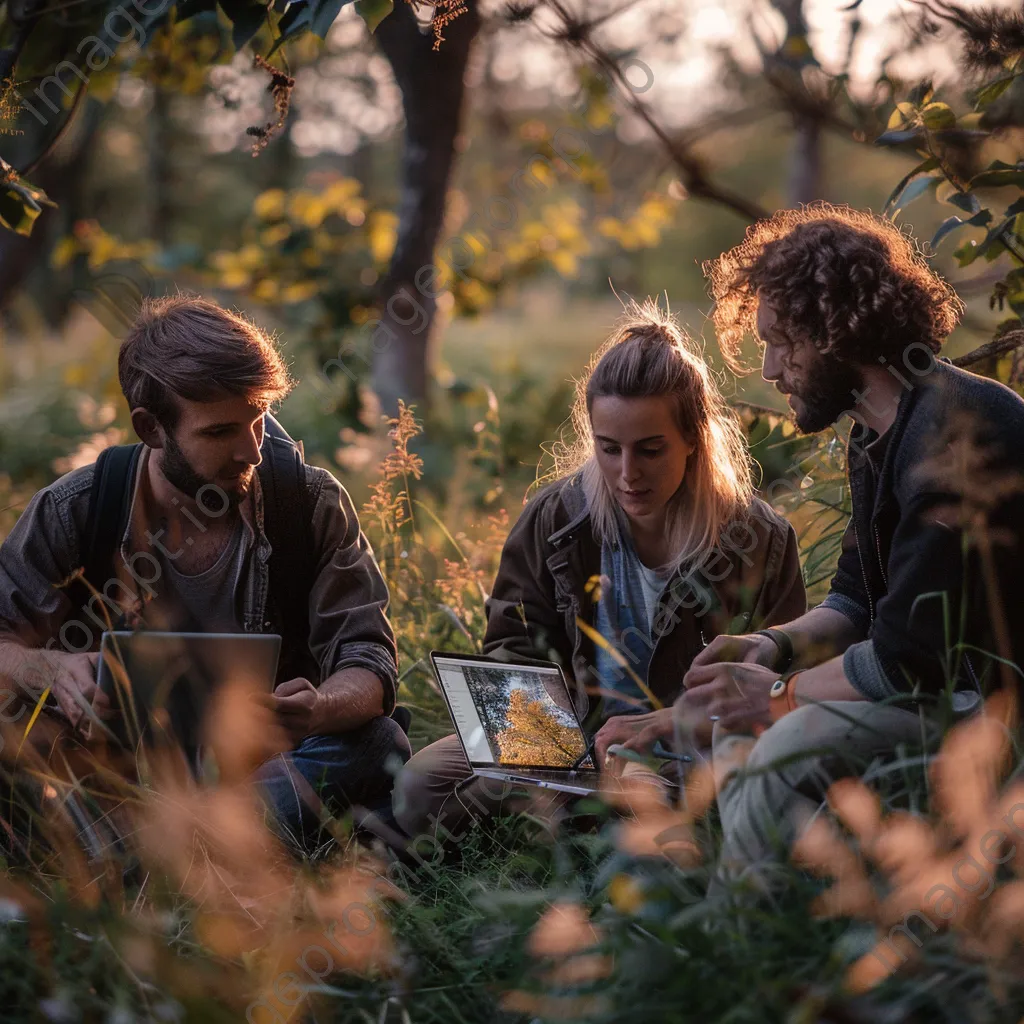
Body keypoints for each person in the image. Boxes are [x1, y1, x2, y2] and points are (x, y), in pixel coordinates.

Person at [674, 202, 1024, 890]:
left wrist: (775, 694)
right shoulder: (876, 433)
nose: (770, 368)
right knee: (744, 731)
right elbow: (856, 598)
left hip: (991, 710)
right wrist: (769, 649)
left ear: (838, 331)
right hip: (940, 687)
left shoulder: (954, 438)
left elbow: (904, 663)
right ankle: (787, 923)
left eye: (783, 342)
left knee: (781, 744)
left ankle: (752, 959)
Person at [0, 294, 410, 850]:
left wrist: (318, 710)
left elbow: (369, 662)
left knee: (377, 742)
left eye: (259, 420)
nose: (252, 451)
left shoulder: (308, 504)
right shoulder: (76, 508)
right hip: (115, 771)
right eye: (220, 433)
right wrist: (51, 670)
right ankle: (216, 847)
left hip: (264, 767)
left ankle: (154, 850)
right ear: (151, 429)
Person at [393, 299, 806, 840]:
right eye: (609, 449)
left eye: (650, 450)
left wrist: (674, 730)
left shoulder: (759, 540)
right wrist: (551, 741)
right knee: (418, 787)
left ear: (693, 439)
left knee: (669, 793)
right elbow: (513, 644)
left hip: (687, 743)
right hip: (568, 738)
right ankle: (571, 810)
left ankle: (583, 823)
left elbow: (776, 689)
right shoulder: (556, 517)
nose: (627, 473)